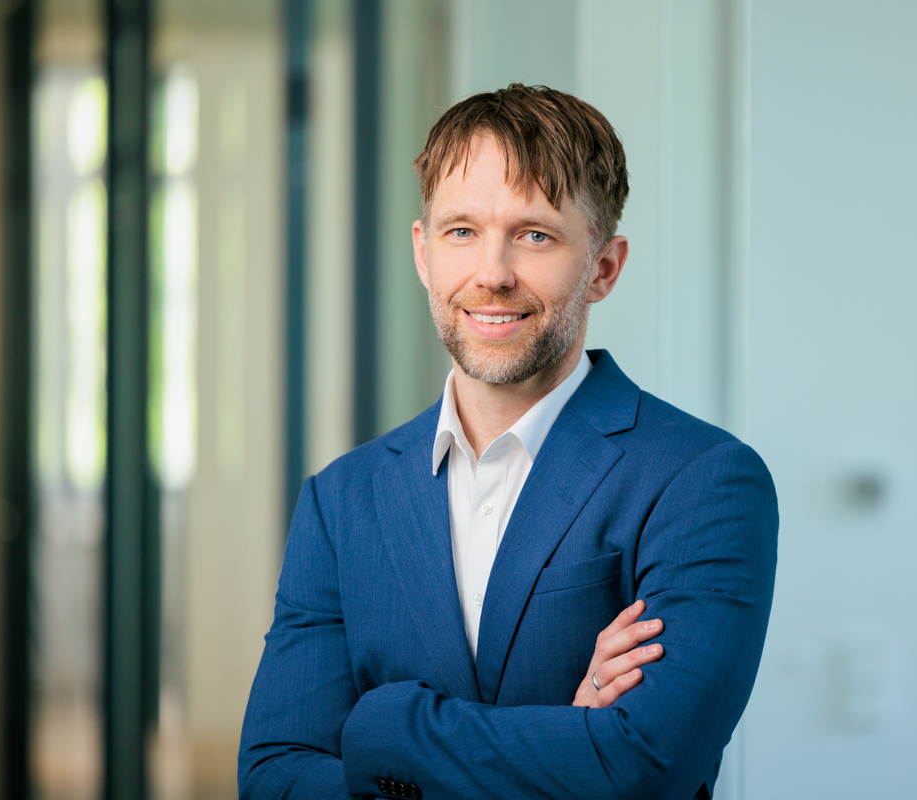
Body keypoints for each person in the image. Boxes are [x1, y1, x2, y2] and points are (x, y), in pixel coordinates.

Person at [238, 83, 778, 800]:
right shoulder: (342, 501)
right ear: (424, 252)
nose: (492, 274)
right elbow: (275, 777)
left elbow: (643, 767)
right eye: (462, 231)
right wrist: (565, 739)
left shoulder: (703, 481)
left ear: (604, 268)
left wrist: (384, 728)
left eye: (535, 234)